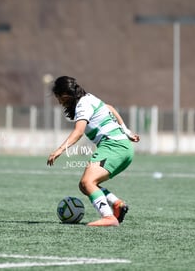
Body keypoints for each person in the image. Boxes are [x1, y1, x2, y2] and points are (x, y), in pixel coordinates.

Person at [47, 76, 140, 227]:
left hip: (113, 146)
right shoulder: (89, 98)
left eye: (58, 97)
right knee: (85, 186)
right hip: (122, 147)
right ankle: (116, 204)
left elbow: (78, 132)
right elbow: (109, 107)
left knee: (87, 182)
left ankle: (108, 217)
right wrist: (126, 131)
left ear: (64, 95)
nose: (59, 102)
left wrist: (59, 150)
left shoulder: (82, 105)